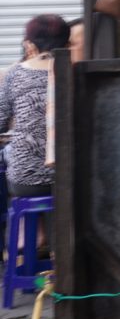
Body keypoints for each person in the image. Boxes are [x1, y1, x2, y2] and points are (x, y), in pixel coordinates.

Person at [0, 14, 69, 199]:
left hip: (27, 180)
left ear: (30, 43)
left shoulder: (17, 73)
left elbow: (1, 121)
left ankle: (29, 228)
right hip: (72, 176)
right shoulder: (74, 71)